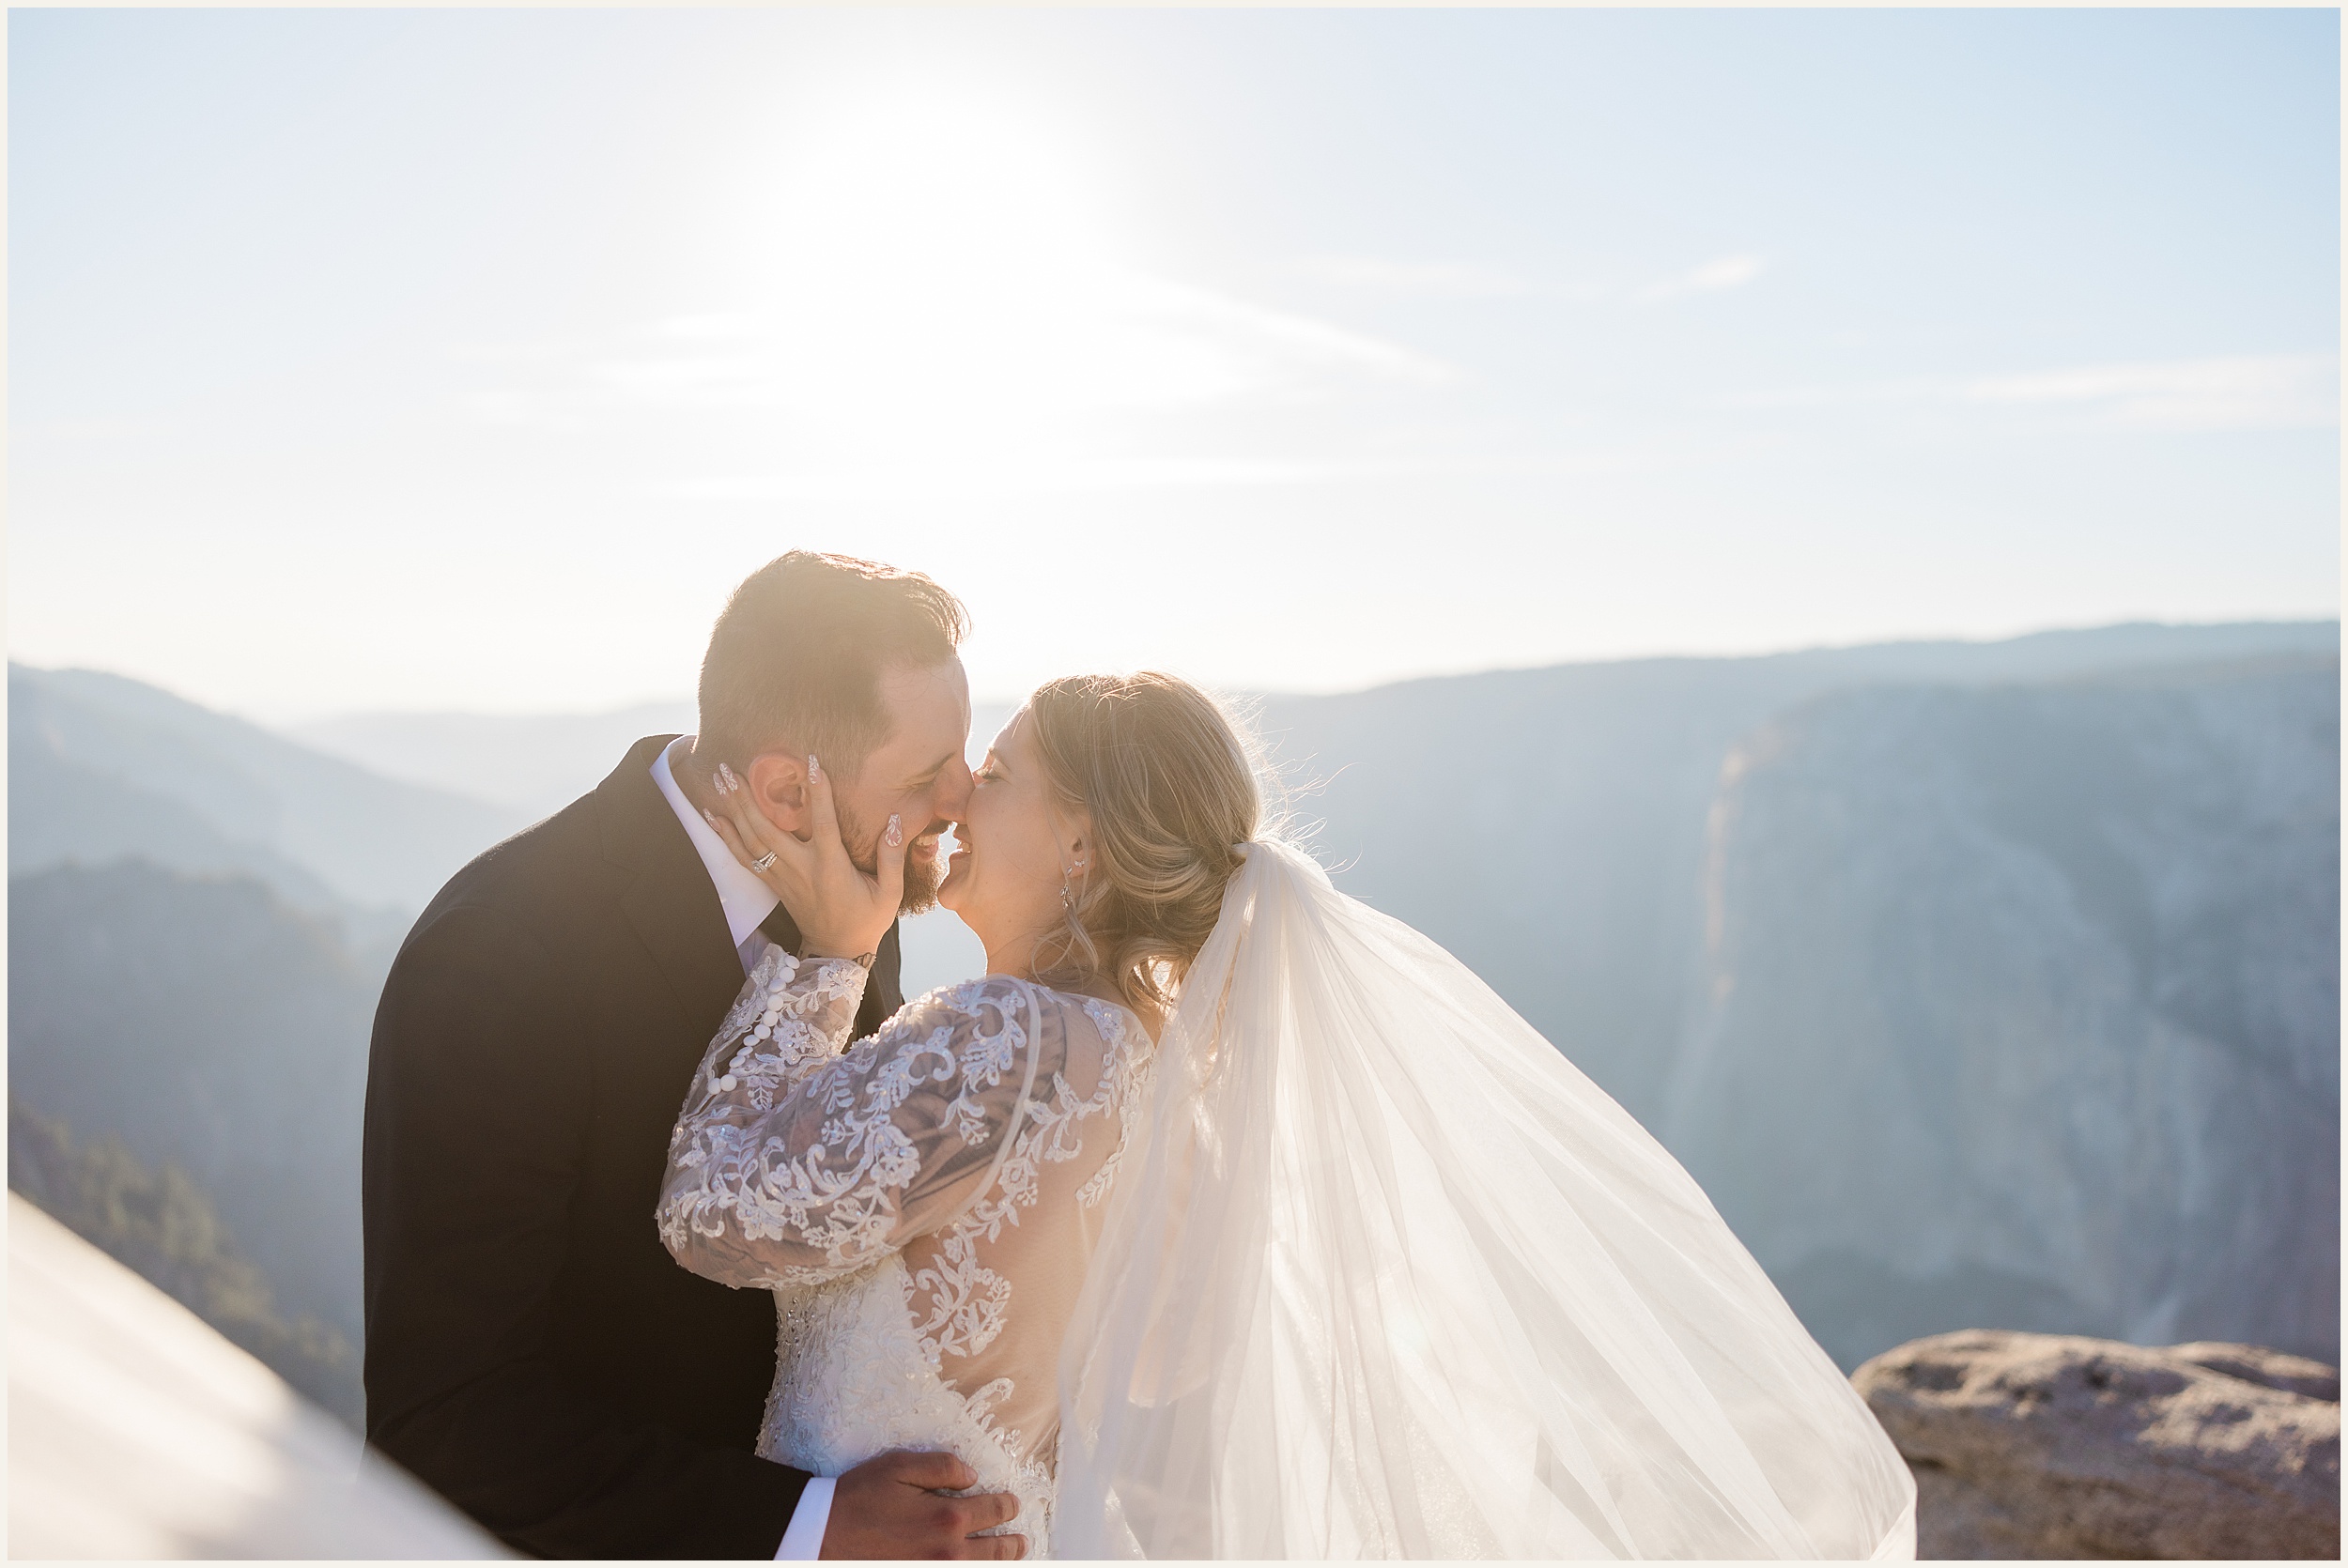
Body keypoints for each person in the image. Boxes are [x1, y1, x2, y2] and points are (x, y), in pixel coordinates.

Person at [660, 670, 1920, 1559]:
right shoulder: (1161, 1072)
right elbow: (1166, 1367)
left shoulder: (1010, 1037)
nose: (957, 799)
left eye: (997, 774)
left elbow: (710, 1218)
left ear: (1083, 841)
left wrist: (824, 955)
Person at [363, 551, 1027, 1558]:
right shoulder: (498, 954)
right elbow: (448, 1422)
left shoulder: (856, 889)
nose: (961, 796)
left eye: (963, 752)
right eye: (925, 773)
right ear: (783, 790)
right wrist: (805, 1524)